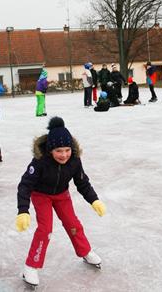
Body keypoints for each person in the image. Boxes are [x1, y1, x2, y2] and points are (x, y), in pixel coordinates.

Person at [16, 117, 106, 287]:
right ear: (50, 150)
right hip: (41, 195)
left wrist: (94, 200)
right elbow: (25, 185)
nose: (64, 155)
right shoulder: (40, 161)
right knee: (45, 229)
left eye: (67, 150)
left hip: (62, 194)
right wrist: (23, 210)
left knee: (73, 224)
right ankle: (31, 266)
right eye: (59, 151)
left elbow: (82, 182)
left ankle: (85, 251)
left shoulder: (74, 161)